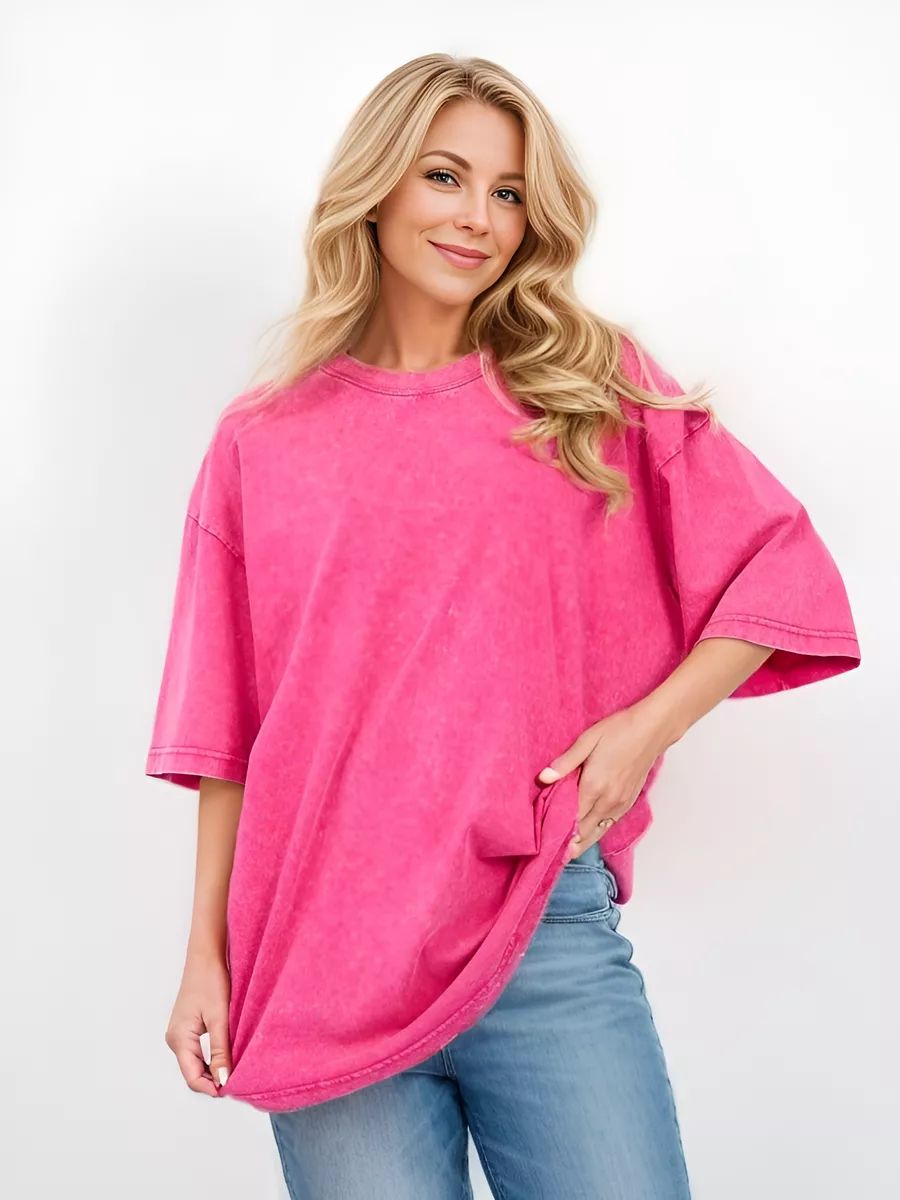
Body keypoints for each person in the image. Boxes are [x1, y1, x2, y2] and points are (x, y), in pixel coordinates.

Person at [145, 54, 861, 1200]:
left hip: (541, 926)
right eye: (445, 176)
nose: (479, 216)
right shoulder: (262, 440)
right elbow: (227, 732)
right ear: (377, 185)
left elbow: (778, 569)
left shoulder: (585, 387)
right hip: (320, 947)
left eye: (510, 191)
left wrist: (641, 730)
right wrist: (204, 958)